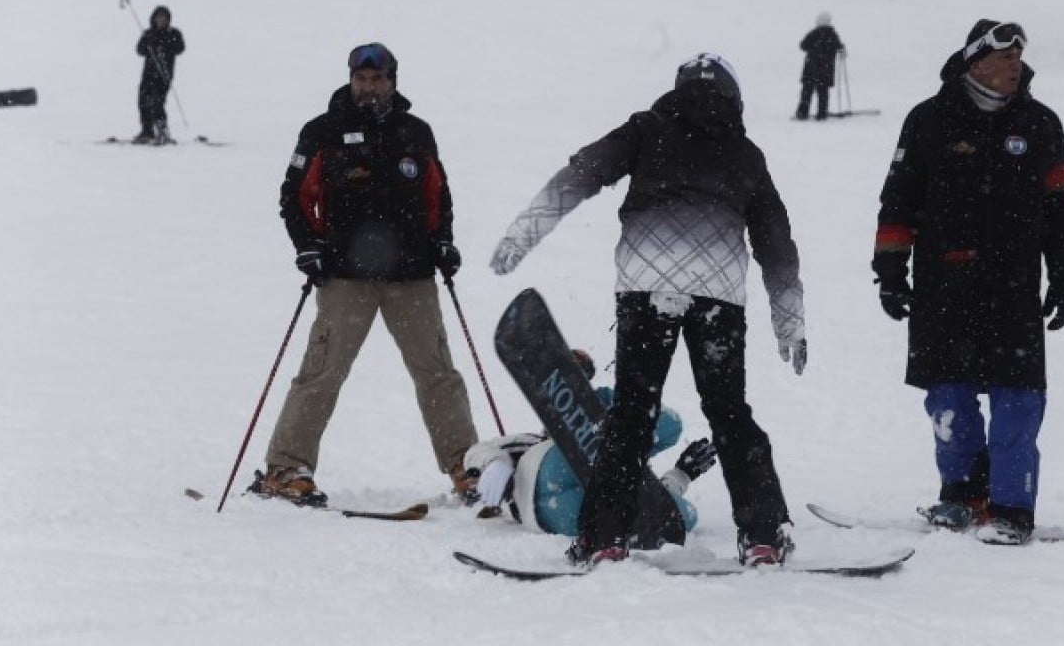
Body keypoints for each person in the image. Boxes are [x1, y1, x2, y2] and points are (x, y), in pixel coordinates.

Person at [489, 52, 807, 567]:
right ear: (734, 97)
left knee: (632, 414)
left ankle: (603, 539)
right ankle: (763, 536)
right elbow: (776, 243)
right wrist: (789, 319)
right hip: (717, 294)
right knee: (729, 412)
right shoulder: (746, 154)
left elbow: (581, 174)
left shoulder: (648, 129)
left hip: (647, 285)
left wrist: (522, 235)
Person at [871, 20, 1064, 545]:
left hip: (1013, 287)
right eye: (1006, 57)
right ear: (977, 62)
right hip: (943, 285)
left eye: (1019, 57)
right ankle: (963, 494)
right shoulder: (927, 121)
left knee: (1018, 400)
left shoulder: (1040, 123)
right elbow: (898, 200)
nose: (1016, 66)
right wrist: (891, 271)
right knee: (949, 397)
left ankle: (1011, 506)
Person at [252, 42, 480, 508]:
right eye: (361, 79)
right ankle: (286, 468)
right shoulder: (323, 131)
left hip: (411, 275)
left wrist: (443, 241)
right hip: (345, 276)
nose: (368, 87)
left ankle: (466, 467)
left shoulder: (415, 132)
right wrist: (307, 245)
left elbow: (438, 195)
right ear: (350, 79)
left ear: (392, 81)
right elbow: (294, 195)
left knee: (437, 373)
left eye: (377, 79)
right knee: (322, 372)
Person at [459, 349, 719, 537]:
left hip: (571, 510)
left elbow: (671, 424)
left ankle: (609, 437)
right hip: (544, 479)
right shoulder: (531, 443)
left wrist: (679, 476)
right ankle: (603, 437)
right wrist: (496, 464)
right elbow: (475, 453)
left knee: (685, 515)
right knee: (609, 451)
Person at [133, 5, 184, 145]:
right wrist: (148, 44)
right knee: (143, 101)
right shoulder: (148, 34)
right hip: (148, 74)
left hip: (164, 74)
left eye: (164, 18)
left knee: (157, 102)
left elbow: (180, 48)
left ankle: (163, 131)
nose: (161, 20)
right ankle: (147, 131)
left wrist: (166, 46)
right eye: (158, 18)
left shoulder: (174, 33)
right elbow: (139, 50)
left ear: (168, 20)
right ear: (154, 19)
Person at [796, 12, 845, 120]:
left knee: (807, 92)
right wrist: (841, 49)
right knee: (823, 92)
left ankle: (802, 113)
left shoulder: (814, 33)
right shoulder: (833, 35)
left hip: (811, 68)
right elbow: (839, 47)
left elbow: (803, 46)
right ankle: (822, 113)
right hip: (825, 70)